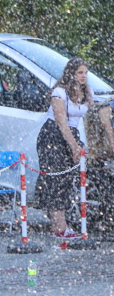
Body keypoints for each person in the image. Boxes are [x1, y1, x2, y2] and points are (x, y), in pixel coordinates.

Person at [35, 57, 94, 239]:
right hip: (53, 135)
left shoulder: (86, 92)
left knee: (67, 180)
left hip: (73, 134)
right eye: (79, 73)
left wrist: (82, 144)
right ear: (71, 74)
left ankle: (58, 226)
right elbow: (62, 123)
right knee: (55, 180)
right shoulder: (59, 93)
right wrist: (74, 146)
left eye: (85, 72)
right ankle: (59, 226)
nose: (83, 76)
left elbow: (87, 116)